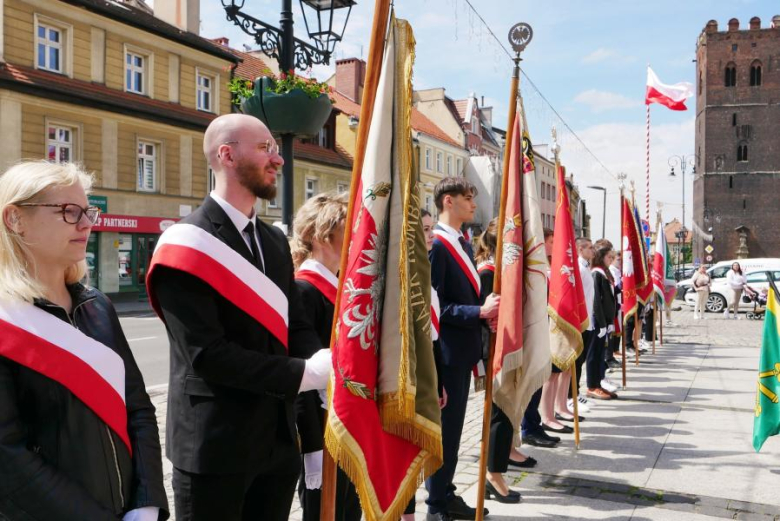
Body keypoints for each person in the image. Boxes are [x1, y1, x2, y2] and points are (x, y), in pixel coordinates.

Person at [146, 114, 332, 521]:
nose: (278, 160)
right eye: (266, 148)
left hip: (278, 442)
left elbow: (294, 324)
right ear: (227, 155)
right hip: (216, 445)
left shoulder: (272, 242)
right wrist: (304, 374)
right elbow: (207, 355)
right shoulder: (186, 244)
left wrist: (324, 363)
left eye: (276, 149)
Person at [0, 161, 168, 520]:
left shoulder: (98, 306)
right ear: (15, 219)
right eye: (68, 211)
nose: (87, 223)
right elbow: (8, 456)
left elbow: (138, 409)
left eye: (86, 211)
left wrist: (147, 502)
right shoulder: (6, 319)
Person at [425, 177, 498, 521]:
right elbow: (436, 308)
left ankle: (446, 491)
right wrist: (478, 312)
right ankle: (436, 504)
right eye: (468, 198)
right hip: (448, 356)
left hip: (464, 351)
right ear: (448, 202)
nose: (474, 204)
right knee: (446, 432)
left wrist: (487, 313)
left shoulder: (463, 243)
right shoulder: (438, 245)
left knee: (454, 433)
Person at [290, 193, 361, 521]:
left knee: (349, 506)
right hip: (322, 424)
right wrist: (312, 445)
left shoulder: (338, 285)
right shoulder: (304, 289)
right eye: (347, 230)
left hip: (347, 417)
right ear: (321, 236)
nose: (354, 239)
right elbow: (304, 376)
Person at [402, 209, 448, 521]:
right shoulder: (401, 273)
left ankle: (409, 514)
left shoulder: (426, 272)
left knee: (414, 451)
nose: (431, 235)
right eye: (425, 229)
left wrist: (438, 379)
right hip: (404, 373)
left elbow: (433, 338)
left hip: (427, 369)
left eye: (432, 228)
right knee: (401, 449)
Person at [473, 219, 522, 505]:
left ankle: (498, 468)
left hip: (504, 345)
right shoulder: (488, 272)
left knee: (505, 410)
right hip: (493, 349)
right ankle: (493, 474)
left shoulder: (499, 270)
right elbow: (484, 313)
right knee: (498, 412)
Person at [566, 238, 595, 415]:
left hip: (588, 319)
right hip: (580, 320)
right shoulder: (577, 266)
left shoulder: (585, 267)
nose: (593, 251)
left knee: (581, 360)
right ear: (580, 249)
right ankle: (570, 396)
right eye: (589, 248)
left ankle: (574, 393)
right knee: (576, 360)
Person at [586, 241, 618, 400]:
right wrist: (602, 323)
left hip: (605, 321)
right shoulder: (597, 273)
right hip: (598, 322)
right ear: (601, 257)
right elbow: (596, 301)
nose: (611, 259)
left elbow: (610, 299)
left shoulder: (605, 273)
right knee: (593, 354)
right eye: (609, 257)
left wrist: (610, 321)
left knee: (600, 355)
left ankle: (598, 383)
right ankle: (592, 385)